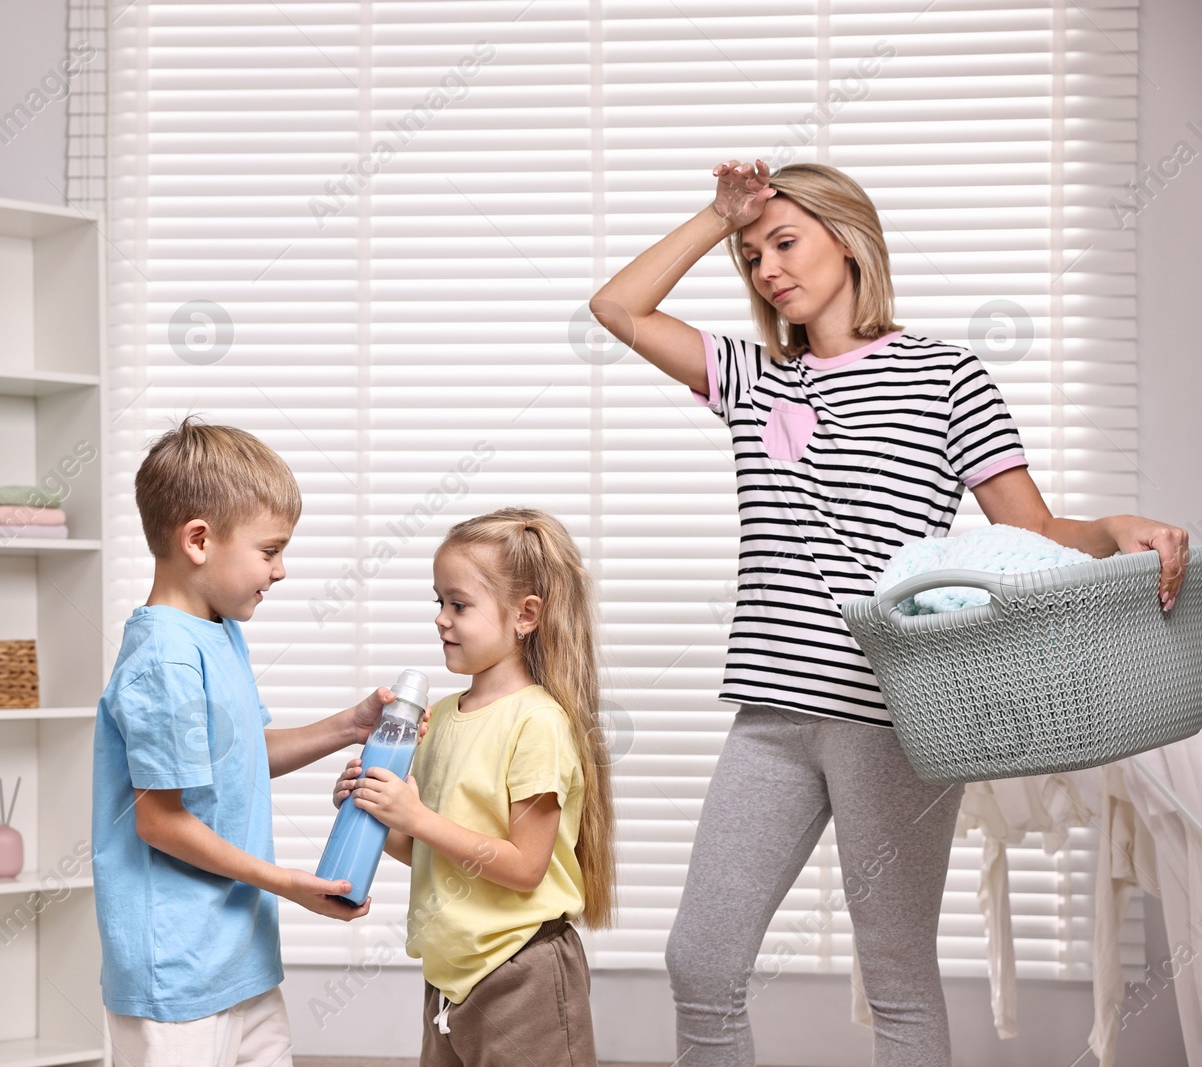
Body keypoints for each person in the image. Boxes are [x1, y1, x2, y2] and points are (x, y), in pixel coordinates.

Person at [589, 160, 1190, 1066]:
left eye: (784, 242)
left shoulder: (948, 374)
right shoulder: (756, 379)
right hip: (772, 719)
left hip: (896, 720)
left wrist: (1112, 527)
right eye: (751, 257)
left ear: (849, 239)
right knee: (701, 961)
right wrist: (721, 216)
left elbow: (1028, 531)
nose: (767, 269)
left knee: (899, 977)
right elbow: (619, 308)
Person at [92, 417, 406, 1067]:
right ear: (199, 540)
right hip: (177, 973)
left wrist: (349, 726)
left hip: (238, 954)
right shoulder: (165, 660)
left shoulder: (218, 629)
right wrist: (285, 882)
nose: (282, 569)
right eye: (270, 549)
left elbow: (239, 758)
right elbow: (159, 819)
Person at [334, 507, 617, 1067]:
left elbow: (522, 867)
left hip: (521, 971)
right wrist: (379, 811)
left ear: (525, 615)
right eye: (438, 602)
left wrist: (415, 816)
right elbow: (434, 855)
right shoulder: (438, 718)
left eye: (459, 605)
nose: (442, 618)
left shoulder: (538, 723)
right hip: (449, 975)